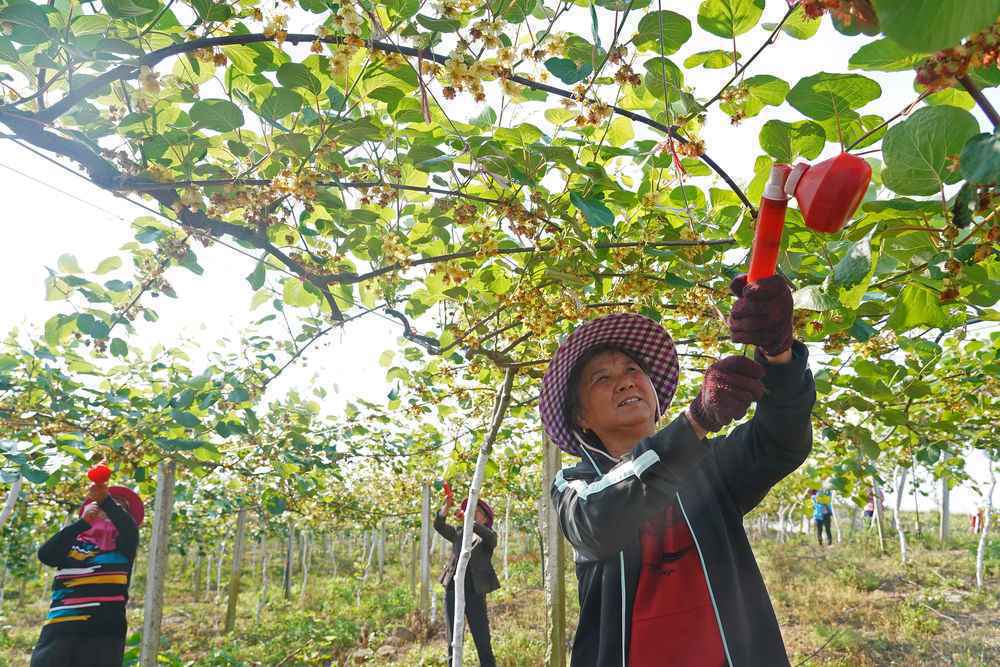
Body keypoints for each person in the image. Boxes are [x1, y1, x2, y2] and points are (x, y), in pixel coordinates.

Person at [542, 274, 815, 666]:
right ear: (582, 417)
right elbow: (596, 523)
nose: (624, 382)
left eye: (634, 370)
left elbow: (781, 441)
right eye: (602, 378)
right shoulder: (574, 484)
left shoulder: (710, 465)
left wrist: (779, 355)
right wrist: (696, 421)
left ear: (654, 395)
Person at [30, 477, 143, 667]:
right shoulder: (73, 544)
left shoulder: (123, 547)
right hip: (61, 629)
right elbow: (46, 555)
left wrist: (106, 501)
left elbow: (129, 529)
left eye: (119, 508)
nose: (109, 511)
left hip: (104, 635)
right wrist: (81, 524)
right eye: (103, 507)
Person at [434, 492, 500, 667]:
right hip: (452, 591)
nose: (472, 513)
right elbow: (439, 525)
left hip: (475, 593)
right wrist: (446, 506)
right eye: (470, 510)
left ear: (485, 519)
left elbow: (490, 538)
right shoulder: (459, 533)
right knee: (453, 640)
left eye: (476, 511)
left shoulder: (488, 537)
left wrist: (469, 520)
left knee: (482, 640)